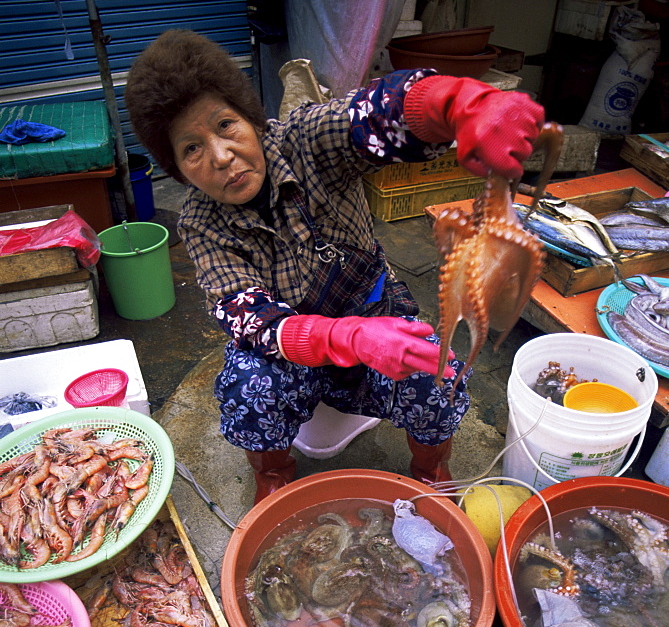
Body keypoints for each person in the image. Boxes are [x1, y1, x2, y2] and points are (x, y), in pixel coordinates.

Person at [125, 29, 545, 505]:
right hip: (291, 350)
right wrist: (348, 339)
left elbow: (372, 115)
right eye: (192, 149)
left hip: (377, 311)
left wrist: (453, 104)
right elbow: (249, 317)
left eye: (225, 125)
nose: (222, 157)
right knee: (247, 383)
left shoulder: (305, 141)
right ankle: (274, 476)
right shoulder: (201, 224)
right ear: (178, 171)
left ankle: (432, 469)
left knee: (437, 371)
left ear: (251, 119)